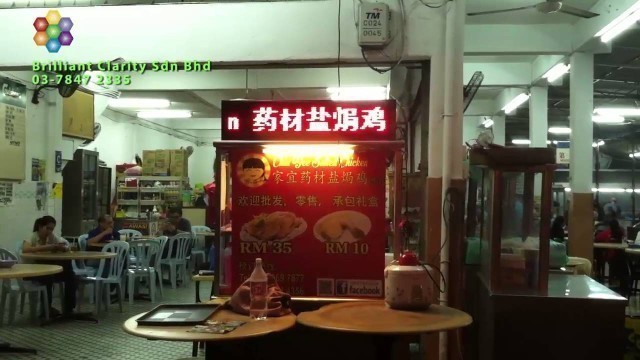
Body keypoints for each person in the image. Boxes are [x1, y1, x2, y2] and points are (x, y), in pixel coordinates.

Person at [22, 216, 76, 317]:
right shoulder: (32, 236)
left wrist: (62, 247)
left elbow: (64, 245)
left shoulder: (51, 237)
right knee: (48, 276)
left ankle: (69, 308)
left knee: (70, 273)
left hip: (47, 267)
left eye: (52, 229)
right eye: (47, 228)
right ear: (40, 227)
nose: (49, 231)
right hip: (32, 271)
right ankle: (46, 309)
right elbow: (26, 249)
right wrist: (49, 247)